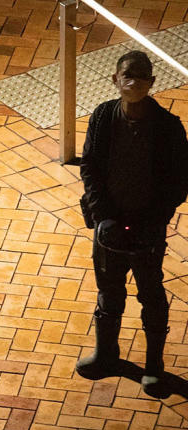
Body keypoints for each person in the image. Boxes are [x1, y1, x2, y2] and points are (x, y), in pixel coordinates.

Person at [76, 50, 188, 397]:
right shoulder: (103, 116)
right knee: (109, 292)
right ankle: (107, 354)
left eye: (141, 75)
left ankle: (154, 367)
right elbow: (90, 167)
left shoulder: (168, 127)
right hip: (109, 228)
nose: (133, 81)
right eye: (127, 74)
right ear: (115, 78)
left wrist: (153, 222)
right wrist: (102, 215)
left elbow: (178, 183)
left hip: (146, 230)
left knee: (151, 293)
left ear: (152, 83)